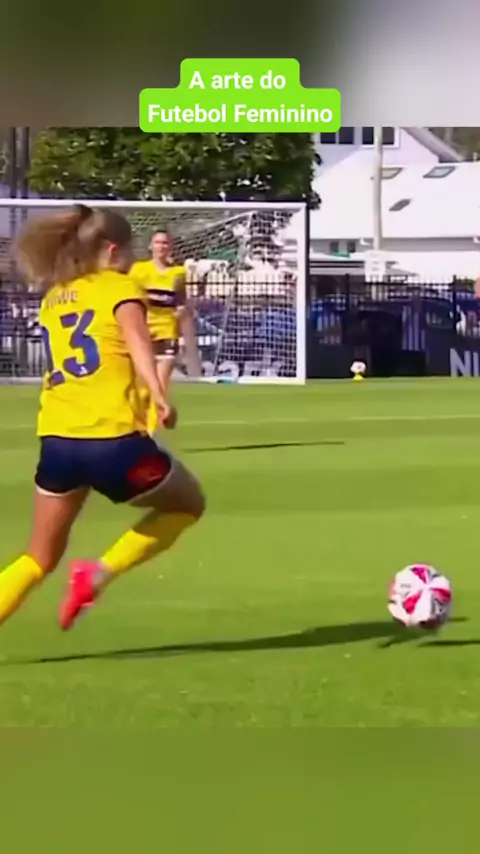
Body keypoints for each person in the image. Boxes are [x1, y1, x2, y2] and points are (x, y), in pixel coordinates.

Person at [0, 205, 205, 631]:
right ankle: (97, 574)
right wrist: (159, 395)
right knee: (188, 504)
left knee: (37, 558)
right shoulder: (120, 287)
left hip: (57, 442)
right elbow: (138, 345)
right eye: (129, 250)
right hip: (112, 440)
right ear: (112, 250)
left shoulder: (55, 296)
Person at [130, 231, 201, 434]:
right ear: (150, 246)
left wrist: (183, 310)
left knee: (159, 388)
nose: (161, 246)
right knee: (142, 388)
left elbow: (181, 301)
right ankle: (136, 429)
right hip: (143, 331)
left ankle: (151, 435)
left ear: (171, 247)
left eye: (165, 243)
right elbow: (131, 299)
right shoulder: (138, 270)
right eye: (158, 242)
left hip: (167, 331)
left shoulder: (178, 272)